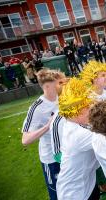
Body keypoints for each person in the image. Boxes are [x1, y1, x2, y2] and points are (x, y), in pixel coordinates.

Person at [21, 69, 66, 200]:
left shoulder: (62, 97)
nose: (62, 86)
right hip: (51, 160)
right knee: (57, 194)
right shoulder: (37, 108)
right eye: (59, 83)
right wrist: (47, 126)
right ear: (47, 86)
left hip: (67, 153)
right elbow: (25, 139)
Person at [56, 77, 100, 200]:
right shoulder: (77, 134)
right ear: (75, 112)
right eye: (87, 107)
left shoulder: (76, 124)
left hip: (88, 184)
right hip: (75, 194)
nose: (91, 109)